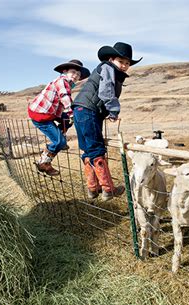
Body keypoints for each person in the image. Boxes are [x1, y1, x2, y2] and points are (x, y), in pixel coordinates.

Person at [72, 42, 142, 201]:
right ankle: (108, 189)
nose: (124, 66)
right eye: (121, 62)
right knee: (97, 150)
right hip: (89, 111)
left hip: (80, 109)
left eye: (127, 63)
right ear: (111, 59)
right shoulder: (108, 68)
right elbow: (106, 91)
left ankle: (92, 188)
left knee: (88, 150)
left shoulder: (108, 69)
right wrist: (114, 110)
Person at [28, 59, 90, 176]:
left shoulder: (67, 83)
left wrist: (70, 114)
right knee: (60, 141)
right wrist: (71, 113)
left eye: (78, 74)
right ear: (65, 71)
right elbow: (64, 97)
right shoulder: (62, 81)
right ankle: (44, 162)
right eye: (73, 72)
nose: (76, 76)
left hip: (50, 112)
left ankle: (59, 139)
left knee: (67, 120)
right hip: (41, 115)